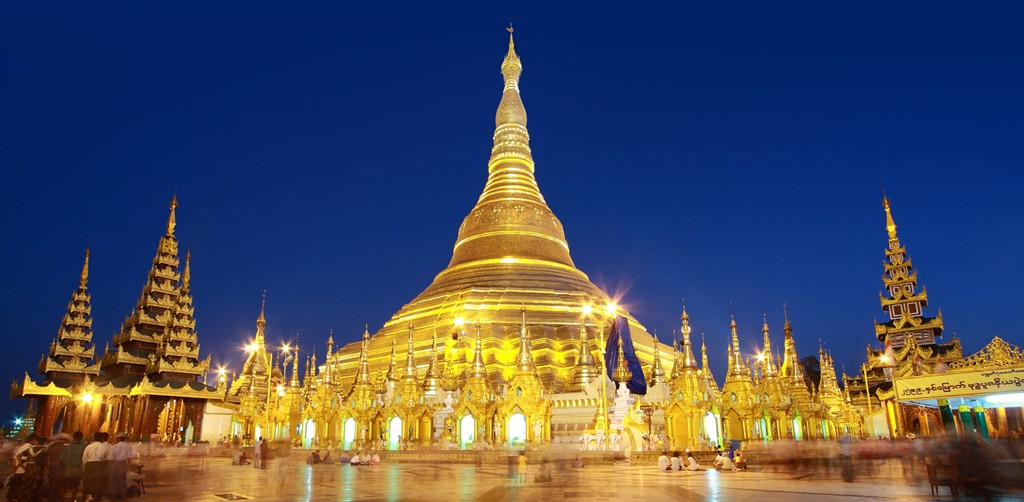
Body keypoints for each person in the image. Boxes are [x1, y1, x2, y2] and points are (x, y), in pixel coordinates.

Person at [8, 434, 44, 502]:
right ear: (31, 440)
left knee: (17, 486)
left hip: (20, 468)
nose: (35, 442)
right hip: (23, 469)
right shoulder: (29, 447)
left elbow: (16, 457)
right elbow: (20, 457)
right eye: (35, 440)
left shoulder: (24, 446)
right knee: (21, 486)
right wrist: (22, 466)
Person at [82, 432, 109, 502]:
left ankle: (83, 499)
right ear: (102, 439)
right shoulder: (104, 447)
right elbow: (105, 459)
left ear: (94, 438)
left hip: (89, 465)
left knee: (87, 483)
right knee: (98, 484)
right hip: (99, 465)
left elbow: (84, 459)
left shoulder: (88, 447)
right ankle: (95, 499)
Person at [61, 432, 86, 502]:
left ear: (73, 437)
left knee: (63, 486)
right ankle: (73, 499)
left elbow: (61, 458)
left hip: (66, 470)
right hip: (77, 470)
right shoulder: (83, 447)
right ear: (81, 438)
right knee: (75, 486)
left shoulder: (67, 447)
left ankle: (62, 500)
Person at [106, 432, 133, 498]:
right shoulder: (128, 446)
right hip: (123, 463)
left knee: (113, 480)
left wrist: (109, 468)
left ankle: (113, 496)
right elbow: (129, 458)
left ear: (118, 439)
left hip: (115, 464)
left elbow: (110, 458)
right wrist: (128, 467)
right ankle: (124, 496)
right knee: (122, 480)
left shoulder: (113, 446)